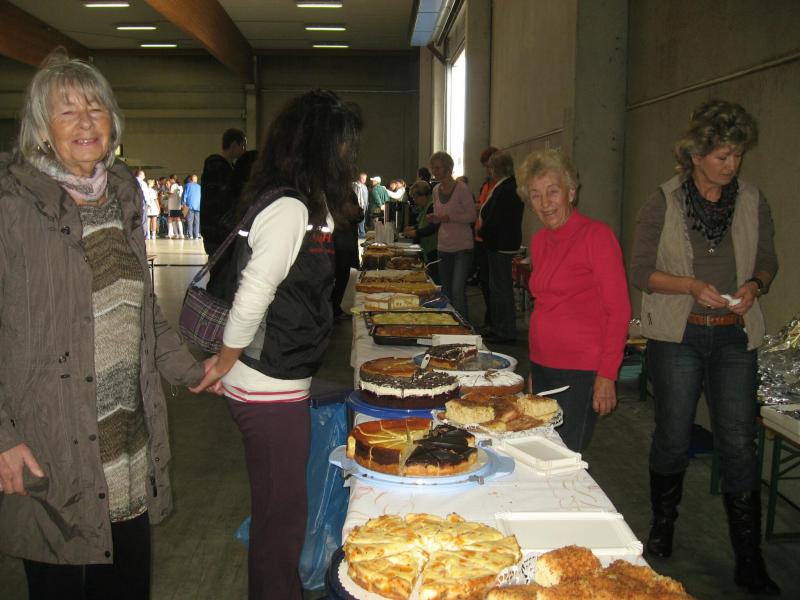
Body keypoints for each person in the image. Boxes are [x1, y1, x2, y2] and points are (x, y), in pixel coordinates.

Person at [0, 50, 204, 600]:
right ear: (41, 129)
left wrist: (193, 370)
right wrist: (3, 439)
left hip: (127, 438)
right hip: (49, 440)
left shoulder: (122, 193)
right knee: (60, 584)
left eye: (96, 108)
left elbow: (142, 308)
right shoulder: (12, 204)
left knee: (127, 582)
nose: (86, 121)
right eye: (67, 111)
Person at [189, 89, 363, 600]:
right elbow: (252, 298)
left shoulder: (300, 203)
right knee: (280, 521)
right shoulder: (289, 208)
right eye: (343, 144)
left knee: (279, 515)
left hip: (274, 379)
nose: (348, 154)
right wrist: (225, 363)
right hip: (266, 387)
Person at [630, 100, 779, 595]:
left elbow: (768, 260)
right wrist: (691, 286)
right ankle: (663, 524)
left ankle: (749, 558)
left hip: (735, 336)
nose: (732, 165)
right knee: (673, 435)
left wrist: (755, 285)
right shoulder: (663, 201)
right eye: (722, 156)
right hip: (680, 337)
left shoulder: (752, 200)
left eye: (737, 155)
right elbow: (641, 271)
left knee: (737, 442)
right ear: (695, 156)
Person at [520, 149, 630, 452]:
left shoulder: (597, 237)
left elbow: (619, 311)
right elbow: (544, 306)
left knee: (561, 455)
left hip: (580, 371)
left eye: (552, 192)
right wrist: (534, 369)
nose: (545, 203)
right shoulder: (540, 241)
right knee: (538, 447)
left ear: (571, 191)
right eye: (535, 195)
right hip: (543, 365)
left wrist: (607, 374)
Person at [477, 151, 523, 343]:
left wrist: (482, 231)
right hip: (498, 243)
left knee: (501, 291)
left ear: (496, 168)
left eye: (490, 167)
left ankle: (505, 331)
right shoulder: (505, 186)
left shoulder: (506, 188)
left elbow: (495, 218)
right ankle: (498, 327)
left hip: (500, 245)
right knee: (497, 290)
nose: (488, 170)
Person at [427, 151, 476, 319]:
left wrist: (449, 218)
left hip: (462, 247)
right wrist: (434, 218)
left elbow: (472, 216)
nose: (435, 171)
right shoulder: (435, 190)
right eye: (433, 168)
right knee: (446, 291)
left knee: (457, 290)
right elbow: (439, 215)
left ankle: (464, 327)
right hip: (443, 246)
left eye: (438, 167)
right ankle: (449, 324)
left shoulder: (462, 189)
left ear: (448, 168)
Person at [201, 128, 246, 286]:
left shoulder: (224, 168)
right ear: (234, 144)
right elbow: (223, 200)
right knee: (221, 277)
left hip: (217, 230)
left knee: (222, 275)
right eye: (243, 145)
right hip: (219, 232)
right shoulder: (218, 167)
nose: (244, 149)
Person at [473, 146, 499, 325]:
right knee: (484, 282)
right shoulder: (486, 185)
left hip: (491, 241)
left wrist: (479, 207)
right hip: (480, 239)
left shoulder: (500, 186)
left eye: (489, 166)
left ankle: (494, 321)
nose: (487, 170)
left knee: (494, 285)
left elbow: (492, 210)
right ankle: (490, 318)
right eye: (485, 166)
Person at [403, 180, 439, 283]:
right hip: (428, 248)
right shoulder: (426, 206)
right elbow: (423, 223)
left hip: (433, 249)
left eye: (415, 198)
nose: (415, 201)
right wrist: (413, 227)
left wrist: (415, 232)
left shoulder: (432, 206)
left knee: (434, 280)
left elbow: (433, 227)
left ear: (423, 196)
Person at [182, 173, 202, 240]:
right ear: (196, 180)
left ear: (191, 179)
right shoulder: (199, 187)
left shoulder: (187, 185)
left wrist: (183, 203)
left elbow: (184, 195)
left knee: (190, 221)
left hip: (189, 205)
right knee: (197, 221)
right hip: (198, 206)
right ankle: (196, 235)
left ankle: (190, 235)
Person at [166, 174, 184, 239]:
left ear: (172, 179)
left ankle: (174, 234)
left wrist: (167, 190)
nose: (169, 180)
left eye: (170, 179)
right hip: (178, 205)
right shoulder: (180, 186)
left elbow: (171, 194)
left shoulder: (173, 185)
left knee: (171, 219)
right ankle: (181, 234)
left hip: (172, 205)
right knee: (177, 219)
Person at [353, 171, 369, 237]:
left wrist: (366, 204)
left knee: (362, 219)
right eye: (363, 178)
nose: (364, 180)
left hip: (364, 206)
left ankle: (361, 233)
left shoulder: (364, 186)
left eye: (365, 179)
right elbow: (355, 196)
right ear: (359, 178)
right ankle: (360, 233)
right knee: (358, 220)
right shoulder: (356, 185)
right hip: (358, 206)